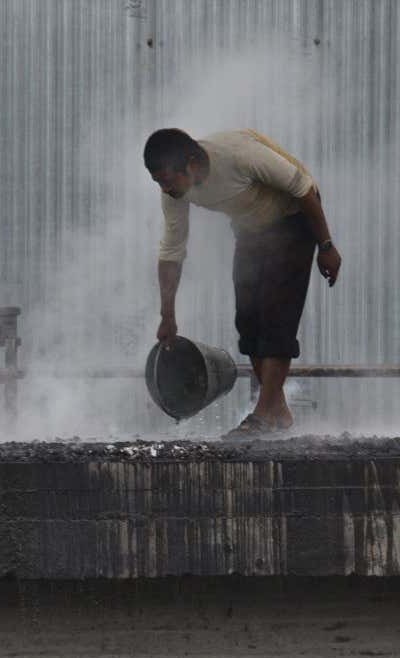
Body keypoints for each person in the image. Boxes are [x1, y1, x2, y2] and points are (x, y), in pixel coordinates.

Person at [144, 128, 342, 438]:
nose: (166, 189)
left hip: (293, 217)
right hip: (251, 229)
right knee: (248, 320)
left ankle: (263, 415)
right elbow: (172, 249)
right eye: (159, 183)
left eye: (169, 180)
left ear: (193, 164)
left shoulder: (239, 155)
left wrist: (326, 246)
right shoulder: (174, 191)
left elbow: (303, 188)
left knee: (278, 316)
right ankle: (279, 414)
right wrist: (167, 315)